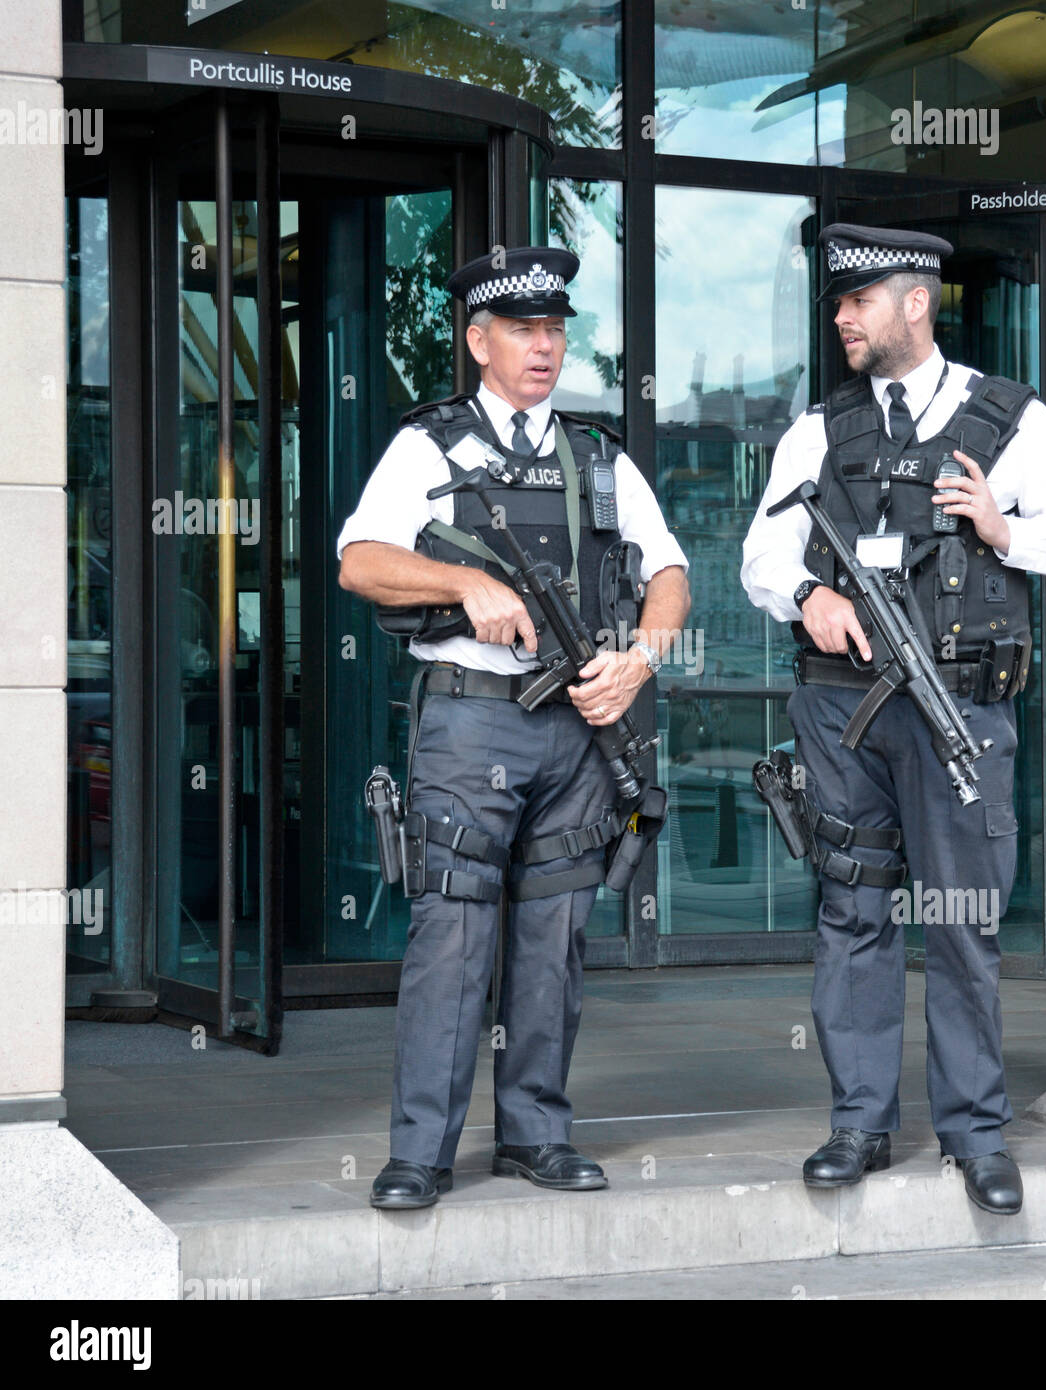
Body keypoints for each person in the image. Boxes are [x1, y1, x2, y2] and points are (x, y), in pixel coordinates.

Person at [740, 224, 1046, 1214]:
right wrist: (805, 599)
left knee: (957, 922)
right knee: (853, 909)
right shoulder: (822, 428)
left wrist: (1003, 528)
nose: (841, 320)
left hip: (958, 706)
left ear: (916, 300)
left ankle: (973, 1133)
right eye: (836, 303)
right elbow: (762, 557)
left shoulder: (1005, 417)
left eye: (856, 301)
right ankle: (858, 1125)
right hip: (842, 711)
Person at [338, 246, 690, 1208]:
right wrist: (465, 583)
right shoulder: (429, 446)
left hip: (577, 727)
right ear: (477, 341)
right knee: (450, 933)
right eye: (524, 331)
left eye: (555, 329)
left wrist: (640, 659)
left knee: (554, 938)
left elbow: (669, 573)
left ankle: (537, 1134)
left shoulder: (598, 454)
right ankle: (421, 1152)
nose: (545, 346)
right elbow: (360, 562)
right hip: (469, 723)